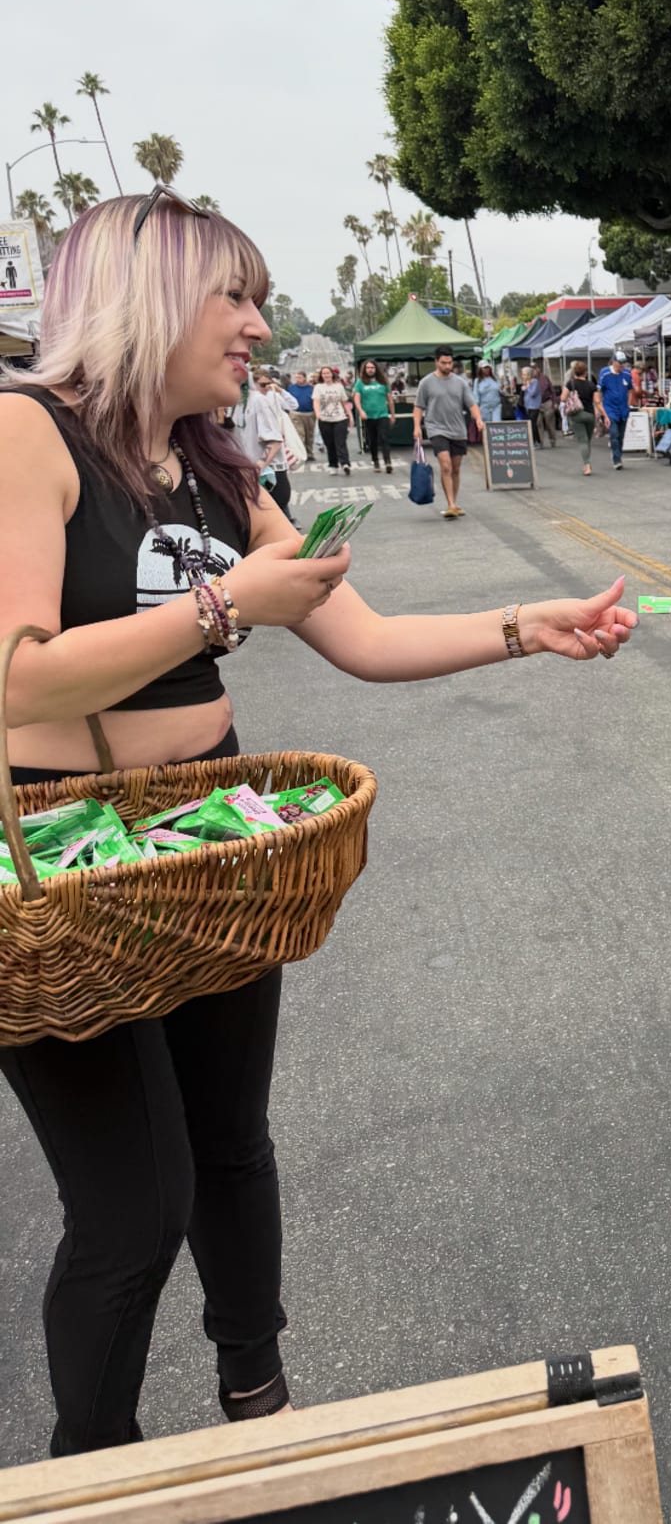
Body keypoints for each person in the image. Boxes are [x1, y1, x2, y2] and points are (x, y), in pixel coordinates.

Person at [0, 190, 637, 1458]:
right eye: (232, 295)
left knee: (233, 1147)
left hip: (227, 837)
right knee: (135, 1207)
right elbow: (18, 675)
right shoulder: (28, 432)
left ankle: (259, 1408)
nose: (256, 323)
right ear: (148, 296)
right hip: (64, 862)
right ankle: (98, 1465)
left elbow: (366, 636)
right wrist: (227, 604)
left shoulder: (221, 468)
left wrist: (528, 625)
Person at [413, 346, 481, 518]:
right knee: (445, 465)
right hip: (436, 428)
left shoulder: (460, 383)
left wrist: (478, 419)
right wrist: (416, 427)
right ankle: (450, 504)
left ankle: (454, 502)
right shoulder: (426, 383)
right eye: (443, 363)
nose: (447, 366)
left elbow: (471, 404)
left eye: (449, 362)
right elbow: (418, 406)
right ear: (436, 362)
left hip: (458, 430)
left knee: (456, 469)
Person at [239, 370, 292, 516]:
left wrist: (258, 467)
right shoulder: (235, 404)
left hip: (269, 474)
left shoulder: (258, 401)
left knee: (278, 523)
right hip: (248, 473)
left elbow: (275, 440)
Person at [353, 359, 395, 474]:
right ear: (364, 369)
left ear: (376, 369)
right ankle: (375, 460)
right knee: (373, 439)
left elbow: (389, 399)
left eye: (372, 367)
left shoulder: (382, 382)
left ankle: (388, 462)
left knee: (384, 437)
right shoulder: (360, 383)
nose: (370, 370)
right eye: (368, 368)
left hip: (382, 414)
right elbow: (356, 398)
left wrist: (392, 414)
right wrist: (361, 411)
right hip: (369, 416)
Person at [312, 366, 352, 476]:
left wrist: (350, 415)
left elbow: (344, 402)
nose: (326, 375)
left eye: (328, 373)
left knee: (340, 442)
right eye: (324, 373)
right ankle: (333, 465)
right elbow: (316, 401)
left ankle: (345, 463)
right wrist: (317, 414)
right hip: (325, 419)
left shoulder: (339, 386)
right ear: (321, 376)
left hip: (339, 418)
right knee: (330, 444)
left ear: (332, 374)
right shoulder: (318, 387)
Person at [598, 351, 633, 470]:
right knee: (614, 433)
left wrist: (628, 405)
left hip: (623, 408)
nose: (622, 366)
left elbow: (630, 390)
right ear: (613, 362)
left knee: (621, 436)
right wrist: (599, 407)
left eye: (624, 363)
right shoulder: (605, 373)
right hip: (610, 408)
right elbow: (599, 391)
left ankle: (618, 453)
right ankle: (616, 459)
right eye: (620, 363)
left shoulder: (627, 374)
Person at [565, 360, 598, 475]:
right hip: (590, 414)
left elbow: (562, 398)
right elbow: (597, 401)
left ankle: (587, 465)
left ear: (574, 372)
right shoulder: (592, 385)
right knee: (587, 440)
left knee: (582, 441)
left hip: (577, 414)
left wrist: (571, 397)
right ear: (585, 372)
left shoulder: (570, 384)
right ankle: (587, 462)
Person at [286, 372, 317, 466]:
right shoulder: (291, 388)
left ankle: (309, 452)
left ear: (304, 378)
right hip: (296, 413)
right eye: (296, 377)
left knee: (309, 434)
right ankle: (302, 454)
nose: (297, 379)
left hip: (309, 413)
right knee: (300, 434)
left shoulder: (311, 388)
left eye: (299, 377)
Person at [473, 362, 503, 428]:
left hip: (496, 407)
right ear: (480, 369)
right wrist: (476, 411)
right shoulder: (477, 381)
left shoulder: (495, 379)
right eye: (484, 368)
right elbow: (476, 396)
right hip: (484, 408)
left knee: (497, 426)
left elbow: (500, 391)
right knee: (486, 428)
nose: (487, 369)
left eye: (488, 367)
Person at [535, 365, 558, 447]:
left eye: (535, 368)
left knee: (549, 422)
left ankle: (552, 440)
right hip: (536, 404)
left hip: (547, 401)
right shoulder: (530, 379)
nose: (535, 370)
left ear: (538, 369)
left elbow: (552, 390)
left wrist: (554, 402)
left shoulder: (544, 377)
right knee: (538, 423)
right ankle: (540, 442)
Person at [521, 364, 544, 444]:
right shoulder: (527, 382)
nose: (522, 376)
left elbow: (532, 393)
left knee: (533, 423)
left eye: (524, 374)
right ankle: (535, 441)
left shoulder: (534, 382)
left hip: (534, 406)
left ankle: (537, 441)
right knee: (531, 424)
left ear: (528, 374)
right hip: (528, 406)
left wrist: (527, 387)